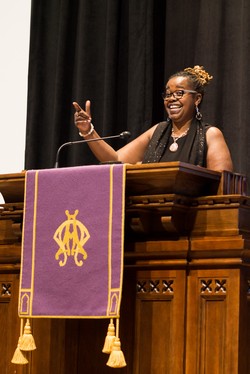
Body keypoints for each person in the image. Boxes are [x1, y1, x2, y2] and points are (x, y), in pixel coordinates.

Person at [73, 65, 233, 172]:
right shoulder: (158, 131)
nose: (171, 99)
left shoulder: (210, 135)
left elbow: (221, 183)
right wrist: (88, 132)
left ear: (197, 99)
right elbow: (115, 160)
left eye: (179, 93)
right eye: (168, 94)